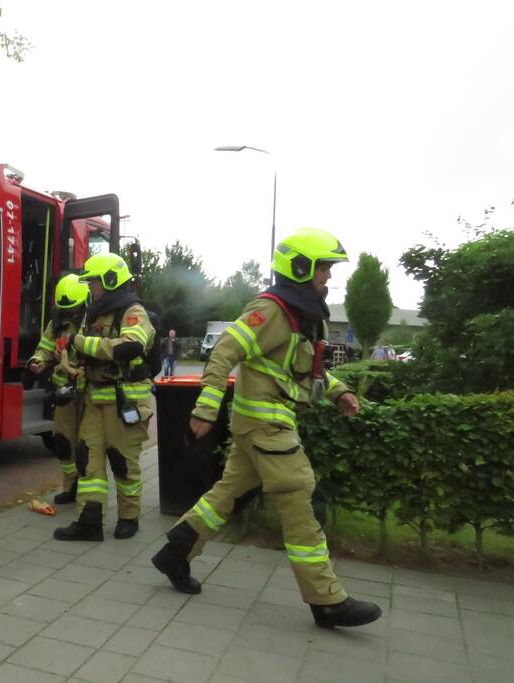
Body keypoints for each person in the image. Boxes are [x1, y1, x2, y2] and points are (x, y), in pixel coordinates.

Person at [151, 227, 383, 629]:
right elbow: (226, 350)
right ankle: (326, 600)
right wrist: (206, 408)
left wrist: (340, 392)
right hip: (265, 424)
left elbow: (311, 373)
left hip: (268, 423)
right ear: (299, 267)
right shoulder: (272, 309)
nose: (328, 276)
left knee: (225, 493)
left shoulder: (305, 319)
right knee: (300, 496)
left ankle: (175, 553)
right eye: (323, 268)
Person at [53, 252, 155, 541]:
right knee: (89, 462)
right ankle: (89, 521)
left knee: (123, 463)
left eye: (95, 282)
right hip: (95, 399)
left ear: (111, 280)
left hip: (125, 404)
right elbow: (87, 350)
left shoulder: (133, 312)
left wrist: (81, 342)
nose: (91, 289)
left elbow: (128, 347)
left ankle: (129, 517)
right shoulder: (93, 315)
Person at [28, 274, 90, 505]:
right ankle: (70, 486)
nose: (69, 313)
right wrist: (38, 361)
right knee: (63, 442)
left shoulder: (94, 322)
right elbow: (43, 349)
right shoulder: (56, 323)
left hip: (89, 392)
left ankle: (87, 491)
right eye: (65, 308)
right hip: (65, 391)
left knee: (87, 446)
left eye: (73, 309)